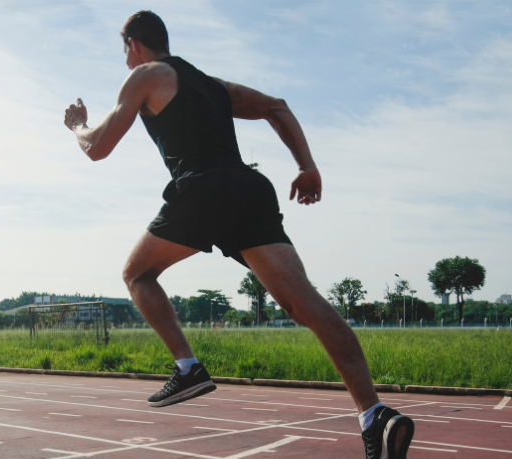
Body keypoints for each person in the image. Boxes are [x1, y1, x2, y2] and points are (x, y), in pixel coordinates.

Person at [63, 10, 414, 459]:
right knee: (302, 300)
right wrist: (306, 166)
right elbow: (276, 106)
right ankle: (374, 414)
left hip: (203, 186)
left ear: (133, 44)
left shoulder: (147, 74)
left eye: (125, 52)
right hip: (250, 188)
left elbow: (98, 146)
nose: (126, 63)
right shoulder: (214, 87)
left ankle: (188, 367)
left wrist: (76, 124)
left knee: (137, 274)